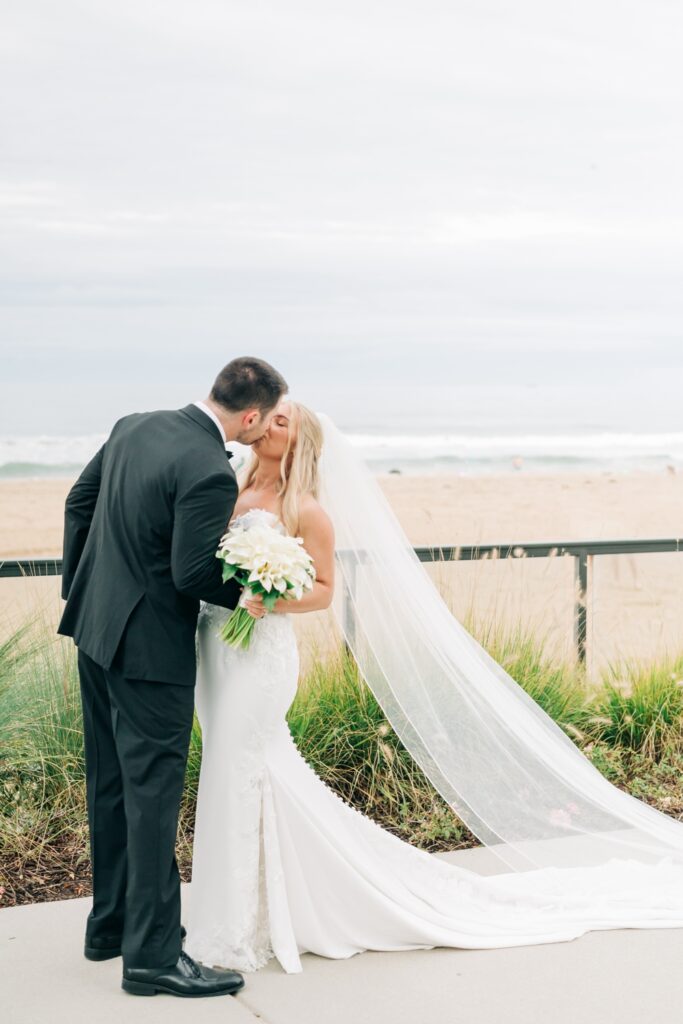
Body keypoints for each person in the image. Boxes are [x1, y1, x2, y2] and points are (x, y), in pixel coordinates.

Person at [185, 398, 683, 976]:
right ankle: (247, 905)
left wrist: (266, 596)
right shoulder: (231, 488)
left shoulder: (309, 509)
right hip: (219, 650)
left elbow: (322, 590)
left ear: (298, 442)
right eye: (267, 415)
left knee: (248, 765)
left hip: (262, 658)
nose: (268, 423)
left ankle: (242, 922)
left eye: (282, 420)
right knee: (227, 768)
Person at [58, 356, 287, 997]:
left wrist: (83, 587)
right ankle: (154, 958)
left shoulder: (135, 424)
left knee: (109, 783)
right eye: (266, 420)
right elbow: (192, 574)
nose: (263, 429)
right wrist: (248, 590)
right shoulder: (212, 470)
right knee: (153, 797)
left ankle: (110, 929)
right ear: (250, 416)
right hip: (150, 653)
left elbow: (79, 502)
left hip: (94, 629)